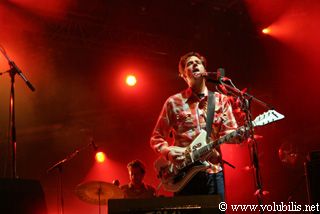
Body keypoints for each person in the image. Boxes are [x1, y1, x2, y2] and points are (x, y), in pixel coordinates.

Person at [150, 52, 245, 201]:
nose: (194, 64)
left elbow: (231, 133)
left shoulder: (221, 100)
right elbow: (156, 138)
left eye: (197, 62)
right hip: (183, 175)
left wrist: (242, 132)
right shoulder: (173, 102)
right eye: (189, 64)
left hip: (213, 172)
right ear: (183, 74)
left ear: (204, 71)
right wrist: (168, 152)